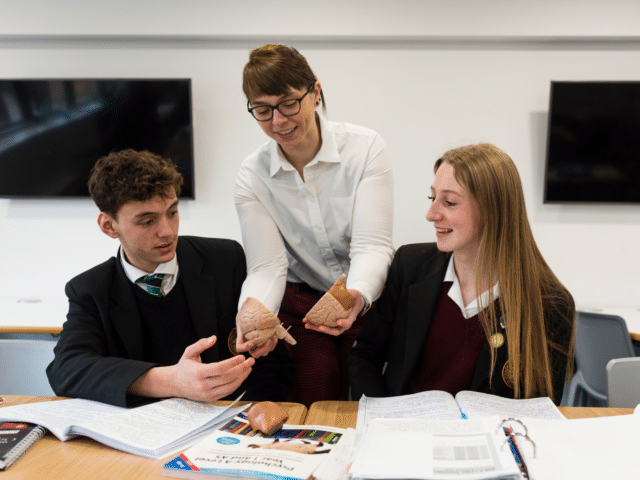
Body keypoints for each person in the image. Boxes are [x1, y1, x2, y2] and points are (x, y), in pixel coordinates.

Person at [47, 149, 294, 408]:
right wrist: (171, 381)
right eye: (147, 221)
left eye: (172, 212)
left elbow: (275, 365)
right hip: (141, 432)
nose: (167, 231)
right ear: (109, 226)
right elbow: (66, 370)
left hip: (229, 424)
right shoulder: (90, 289)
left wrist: (244, 415)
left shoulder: (225, 259)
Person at [348, 144, 575, 405]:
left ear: (492, 210)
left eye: (449, 202)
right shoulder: (409, 266)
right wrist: (384, 416)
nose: (431, 214)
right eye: (432, 198)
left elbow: (539, 409)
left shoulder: (550, 304)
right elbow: (365, 356)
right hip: (406, 435)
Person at [235, 44, 394, 406]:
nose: (278, 121)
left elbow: (372, 246)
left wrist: (356, 295)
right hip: (303, 300)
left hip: (366, 293)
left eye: (290, 103)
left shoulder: (365, 148)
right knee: (315, 389)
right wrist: (252, 312)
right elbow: (267, 265)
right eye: (262, 110)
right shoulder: (252, 175)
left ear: (316, 92)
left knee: (371, 394)